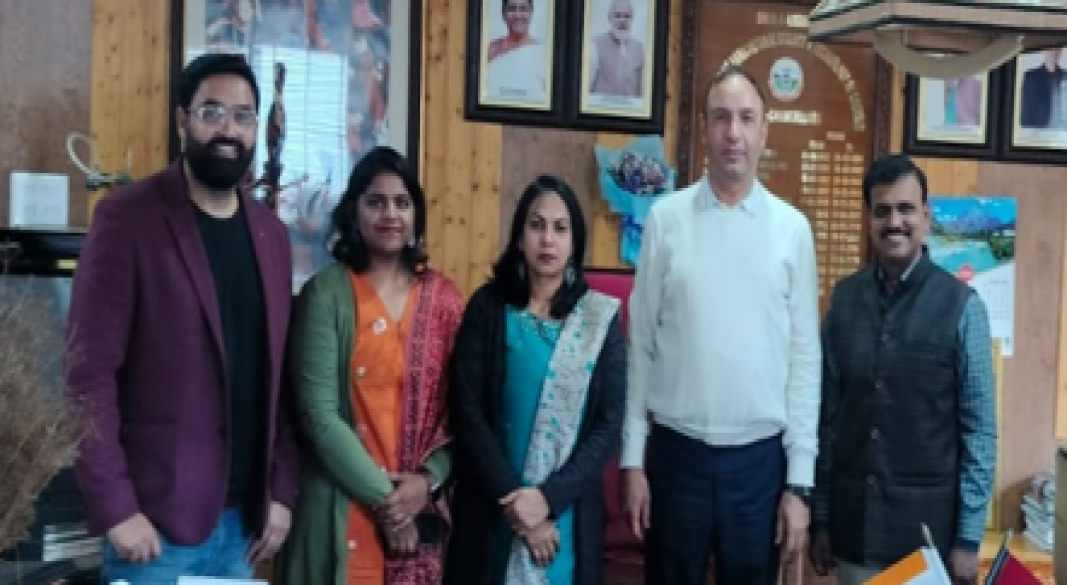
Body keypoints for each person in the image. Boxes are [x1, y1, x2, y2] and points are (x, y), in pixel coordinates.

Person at [66, 53, 298, 582]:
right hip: (152, 529)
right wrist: (115, 507)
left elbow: (282, 377)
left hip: (245, 530)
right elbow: (87, 374)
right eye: (212, 112)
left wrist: (282, 492)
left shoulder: (272, 236)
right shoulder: (128, 219)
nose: (228, 130)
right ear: (181, 121)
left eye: (243, 116)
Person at [621, 65, 821, 585]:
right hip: (676, 458)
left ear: (764, 131)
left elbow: (805, 361)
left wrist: (799, 484)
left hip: (759, 467)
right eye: (721, 118)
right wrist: (632, 460)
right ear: (704, 128)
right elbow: (640, 346)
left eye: (746, 118)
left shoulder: (792, 230)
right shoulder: (665, 220)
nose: (733, 132)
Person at [277, 146, 464, 585]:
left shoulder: (445, 301)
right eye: (376, 202)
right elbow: (319, 416)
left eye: (402, 203)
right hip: (341, 510)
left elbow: (465, 414)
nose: (390, 214)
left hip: (420, 519)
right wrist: (390, 505)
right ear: (354, 211)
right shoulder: (326, 295)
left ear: (416, 214)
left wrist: (427, 482)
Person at [809, 155, 996, 585]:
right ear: (869, 220)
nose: (894, 222)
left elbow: (980, 432)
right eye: (882, 211)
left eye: (906, 209)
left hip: (928, 545)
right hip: (855, 534)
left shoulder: (962, 307)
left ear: (926, 217)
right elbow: (827, 419)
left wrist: (969, 538)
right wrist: (822, 517)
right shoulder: (844, 301)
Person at [444, 176, 627, 585]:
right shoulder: (488, 308)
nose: (547, 240)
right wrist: (517, 504)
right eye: (536, 225)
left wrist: (547, 500)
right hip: (492, 507)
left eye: (560, 228)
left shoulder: (597, 321)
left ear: (574, 242)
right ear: (519, 236)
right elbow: (467, 412)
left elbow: (609, 424)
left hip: (566, 517)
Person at [485, 0, 547, 102]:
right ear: (503, 13)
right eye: (512, 8)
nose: (518, 15)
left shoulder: (542, 53)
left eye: (523, 9)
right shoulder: (492, 49)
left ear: (531, 13)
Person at [589, 0, 645, 99]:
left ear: (632, 19)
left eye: (627, 16)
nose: (622, 20)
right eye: (617, 15)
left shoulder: (639, 48)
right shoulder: (595, 45)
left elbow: (642, 89)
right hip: (602, 106)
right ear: (609, 18)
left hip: (631, 106)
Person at [1020, 47, 1067, 129]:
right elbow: (1026, 112)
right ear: (1045, 50)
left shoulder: (1065, 76)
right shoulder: (1031, 77)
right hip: (1039, 132)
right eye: (1051, 48)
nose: (1054, 52)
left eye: (1058, 49)